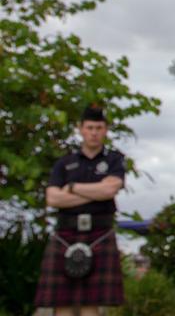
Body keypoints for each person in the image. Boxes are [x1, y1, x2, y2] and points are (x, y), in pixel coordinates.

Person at [35, 105, 127, 316]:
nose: (94, 132)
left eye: (98, 127)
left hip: (99, 233)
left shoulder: (114, 159)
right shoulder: (64, 162)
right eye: (90, 127)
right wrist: (95, 191)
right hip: (66, 234)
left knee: (91, 304)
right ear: (81, 129)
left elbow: (110, 189)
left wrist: (73, 188)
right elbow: (52, 198)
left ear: (105, 130)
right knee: (62, 305)